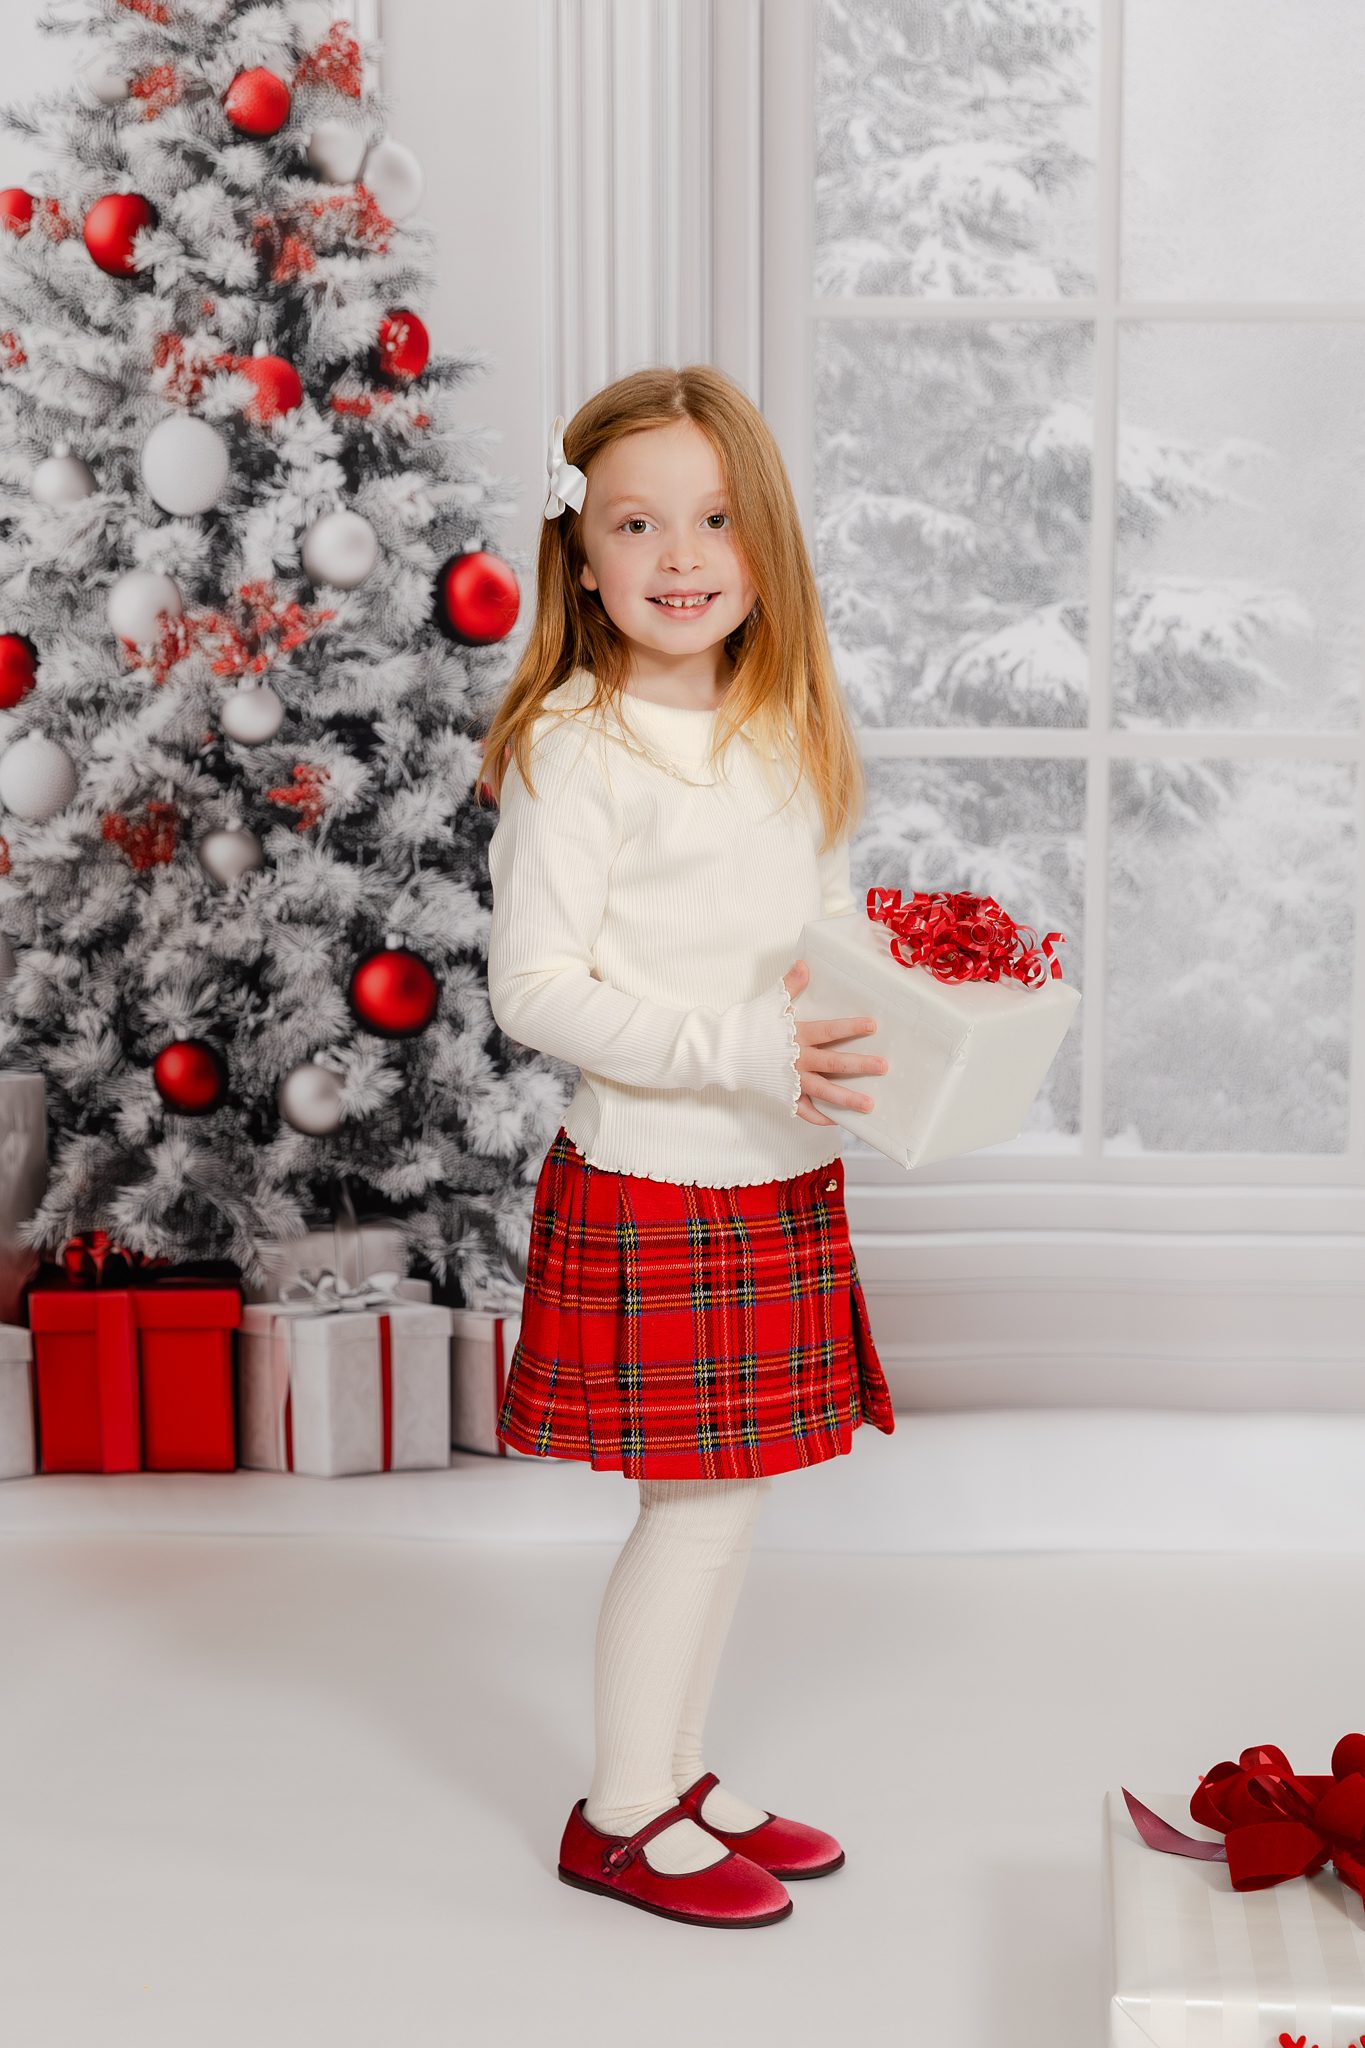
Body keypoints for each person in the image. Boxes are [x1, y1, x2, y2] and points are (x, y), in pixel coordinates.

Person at [477, 365, 896, 1931]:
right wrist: (740, 1050)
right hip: (659, 1181)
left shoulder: (781, 726)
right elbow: (535, 989)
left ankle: (678, 1773)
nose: (679, 555)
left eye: (714, 519)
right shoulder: (576, 748)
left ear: (762, 541)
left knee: (735, 1500)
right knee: (695, 1509)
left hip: (777, 1170)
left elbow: (821, 938)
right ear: (581, 558)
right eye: (637, 523)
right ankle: (618, 1814)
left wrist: (883, 1041)